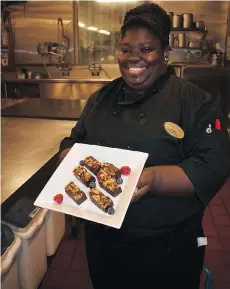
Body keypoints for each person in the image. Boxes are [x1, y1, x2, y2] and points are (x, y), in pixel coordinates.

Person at [59, 3, 230, 289]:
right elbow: (75, 139)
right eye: (126, 49)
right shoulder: (101, 97)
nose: (133, 58)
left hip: (167, 248)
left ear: (165, 52)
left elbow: (213, 164)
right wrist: (68, 156)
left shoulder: (194, 101)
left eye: (146, 49)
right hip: (104, 243)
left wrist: (153, 177)